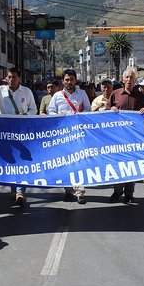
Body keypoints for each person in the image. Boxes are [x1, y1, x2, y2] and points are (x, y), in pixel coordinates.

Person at [0, 68, 36, 205]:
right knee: (10, 160)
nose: (11, 80)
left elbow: (33, 109)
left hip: (21, 131)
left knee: (22, 160)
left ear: (20, 78)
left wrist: (26, 115)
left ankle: (20, 191)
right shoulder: (0, 90)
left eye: (14, 77)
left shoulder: (27, 92)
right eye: (9, 77)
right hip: (3, 132)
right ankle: (13, 188)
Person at [47, 69, 91, 204]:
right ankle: (68, 190)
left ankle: (80, 192)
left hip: (78, 134)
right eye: (66, 80)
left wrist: (79, 115)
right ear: (63, 81)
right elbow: (50, 111)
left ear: (75, 80)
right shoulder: (57, 96)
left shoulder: (82, 94)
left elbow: (88, 110)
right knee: (65, 163)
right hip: (62, 136)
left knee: (79, 162)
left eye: (71, 79)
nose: (69, 82)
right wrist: (60, 116)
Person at [108, 67, 144, 203]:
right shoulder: (115, 94)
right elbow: (105, 113)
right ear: (123, 79)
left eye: (132, 77)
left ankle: (129, 193)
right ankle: (117, 191)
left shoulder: (140, 96)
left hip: (134, 139)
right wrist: (111, 110)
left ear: (135, 80)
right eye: (127, 77)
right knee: (119, 166)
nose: (129, 80)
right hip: (117, 138)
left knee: (132, 167)